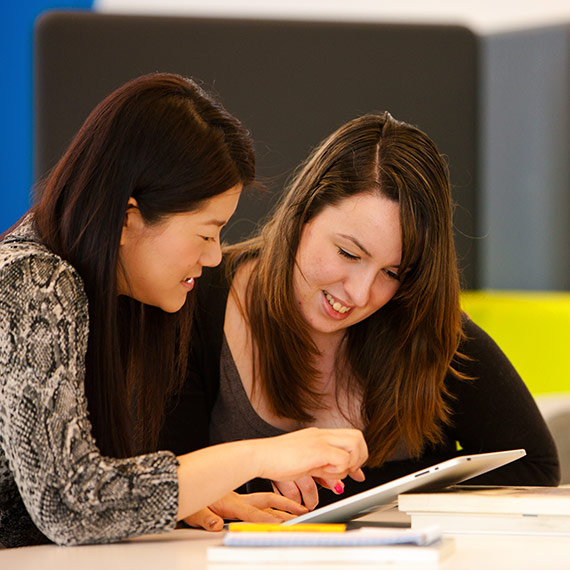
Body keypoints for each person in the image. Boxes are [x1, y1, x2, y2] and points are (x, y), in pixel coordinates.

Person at [0, 73, 368, 548]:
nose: (215, 256)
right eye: (205, 233)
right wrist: (259, 456)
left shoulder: (91, 288)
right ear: (128, 220)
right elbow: (70, 506)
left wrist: (183, 498)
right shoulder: (35, 282)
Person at [161, 112, 560, 526]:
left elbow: (537, 469)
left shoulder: (419, 320)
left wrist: (344, 491)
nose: (360, 294)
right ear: (304, 214)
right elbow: (145, 482)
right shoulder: (194, 302)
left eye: (393, 273)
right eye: (349, 254)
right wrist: (265, 471)